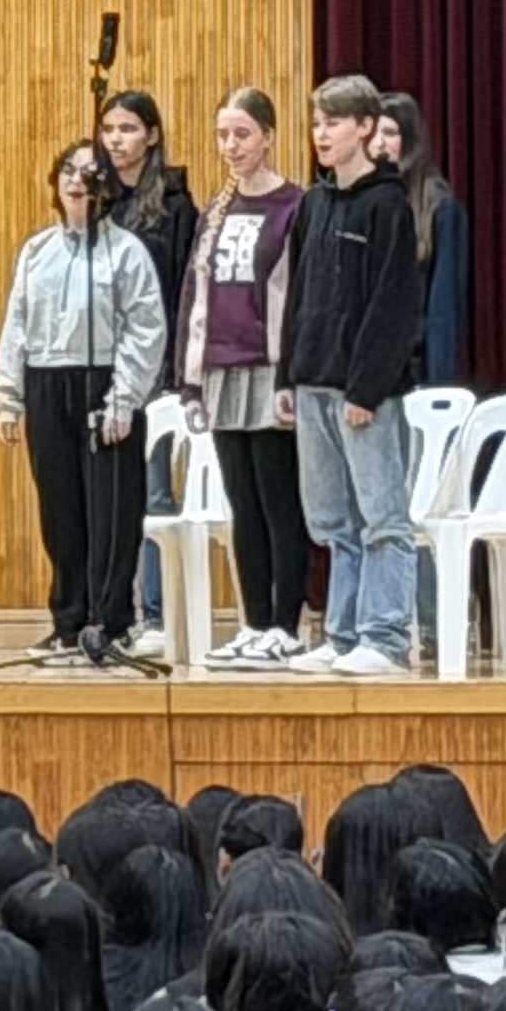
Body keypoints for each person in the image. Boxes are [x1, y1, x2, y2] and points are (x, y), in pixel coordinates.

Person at [0, 142, 168, 671]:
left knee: (110, 509)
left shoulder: (127, 251)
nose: (76, 180)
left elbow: (145, 327)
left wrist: (125, 397)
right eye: (68, 170)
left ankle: (110, 621)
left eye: (88, 173)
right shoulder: (36, 250)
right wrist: (8, 397)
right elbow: (16, 324)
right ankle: (68, 623)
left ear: (104, 186)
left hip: (104, 385)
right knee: (60, 509)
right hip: (48, 383)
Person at [279, 76, 427, 679]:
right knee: (333, 520)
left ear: (365, 128)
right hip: (313, 382)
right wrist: (288, 376)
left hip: (362, 392)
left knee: (382, 517)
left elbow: (392, 307)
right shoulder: (314, 204)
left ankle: (385, 636)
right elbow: (298, 296)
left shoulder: (387, 205)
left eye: (334, 124)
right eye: (317, 124)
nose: (322, 135)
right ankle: (341, 636)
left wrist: (366, 389)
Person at [179, 91, 306, 668]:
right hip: (224, 368)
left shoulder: (293, 207)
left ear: (268, 137)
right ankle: (254, 621)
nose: (232, 146)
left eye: (243, 134)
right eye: (224, 135)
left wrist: (295, 372)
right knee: (242, 503)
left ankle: (288, 623)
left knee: (278, 499)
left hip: (271, 367)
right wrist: (191, 374)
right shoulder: (216, 211)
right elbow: (195, 295)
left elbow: (299, 297)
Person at [376, 93, 470, 391]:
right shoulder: (363, 202)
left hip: (413, 370)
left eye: (389, 133)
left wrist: (437, 386)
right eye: (372, 133)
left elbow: (444, 311)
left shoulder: (440, 209)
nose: (378, 143)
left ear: (411, 141)